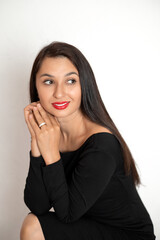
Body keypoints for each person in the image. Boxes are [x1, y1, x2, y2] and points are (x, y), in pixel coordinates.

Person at [20, 41, 156, 240]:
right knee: (33, 223)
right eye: (48, 81)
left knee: (33, 227)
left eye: (70, 81)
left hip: (127, 235)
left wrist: (50, 152)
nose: (59, 92)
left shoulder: (102, 145)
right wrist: (37, 143)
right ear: (36, 87)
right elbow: (38, 205)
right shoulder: (51, 135)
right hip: (88, 227)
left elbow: (66, 214)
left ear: (84, 84)